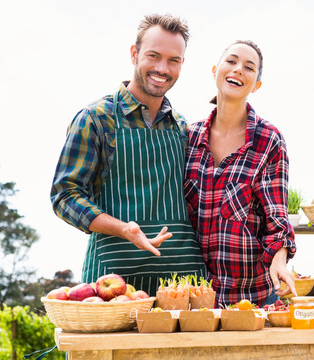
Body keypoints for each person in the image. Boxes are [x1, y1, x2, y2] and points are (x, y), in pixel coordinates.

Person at [51, 14, 206, 296]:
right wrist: (124, 229)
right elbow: (65, 195)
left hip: (182, 283)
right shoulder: (96, 119)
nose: (162, 68)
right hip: (114, 282)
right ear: (134, 54)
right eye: (154, 56)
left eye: (174, 60)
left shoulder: (183, 128)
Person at [184, 40, 297, 307]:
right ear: (215, 70)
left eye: (249, 67)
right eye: (231, 61)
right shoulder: (189, 137)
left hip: (251, 297)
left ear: (256, 84)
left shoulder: (268, 140)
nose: (238, 70)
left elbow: (276, 215)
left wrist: (280, 260)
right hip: (195, 298)